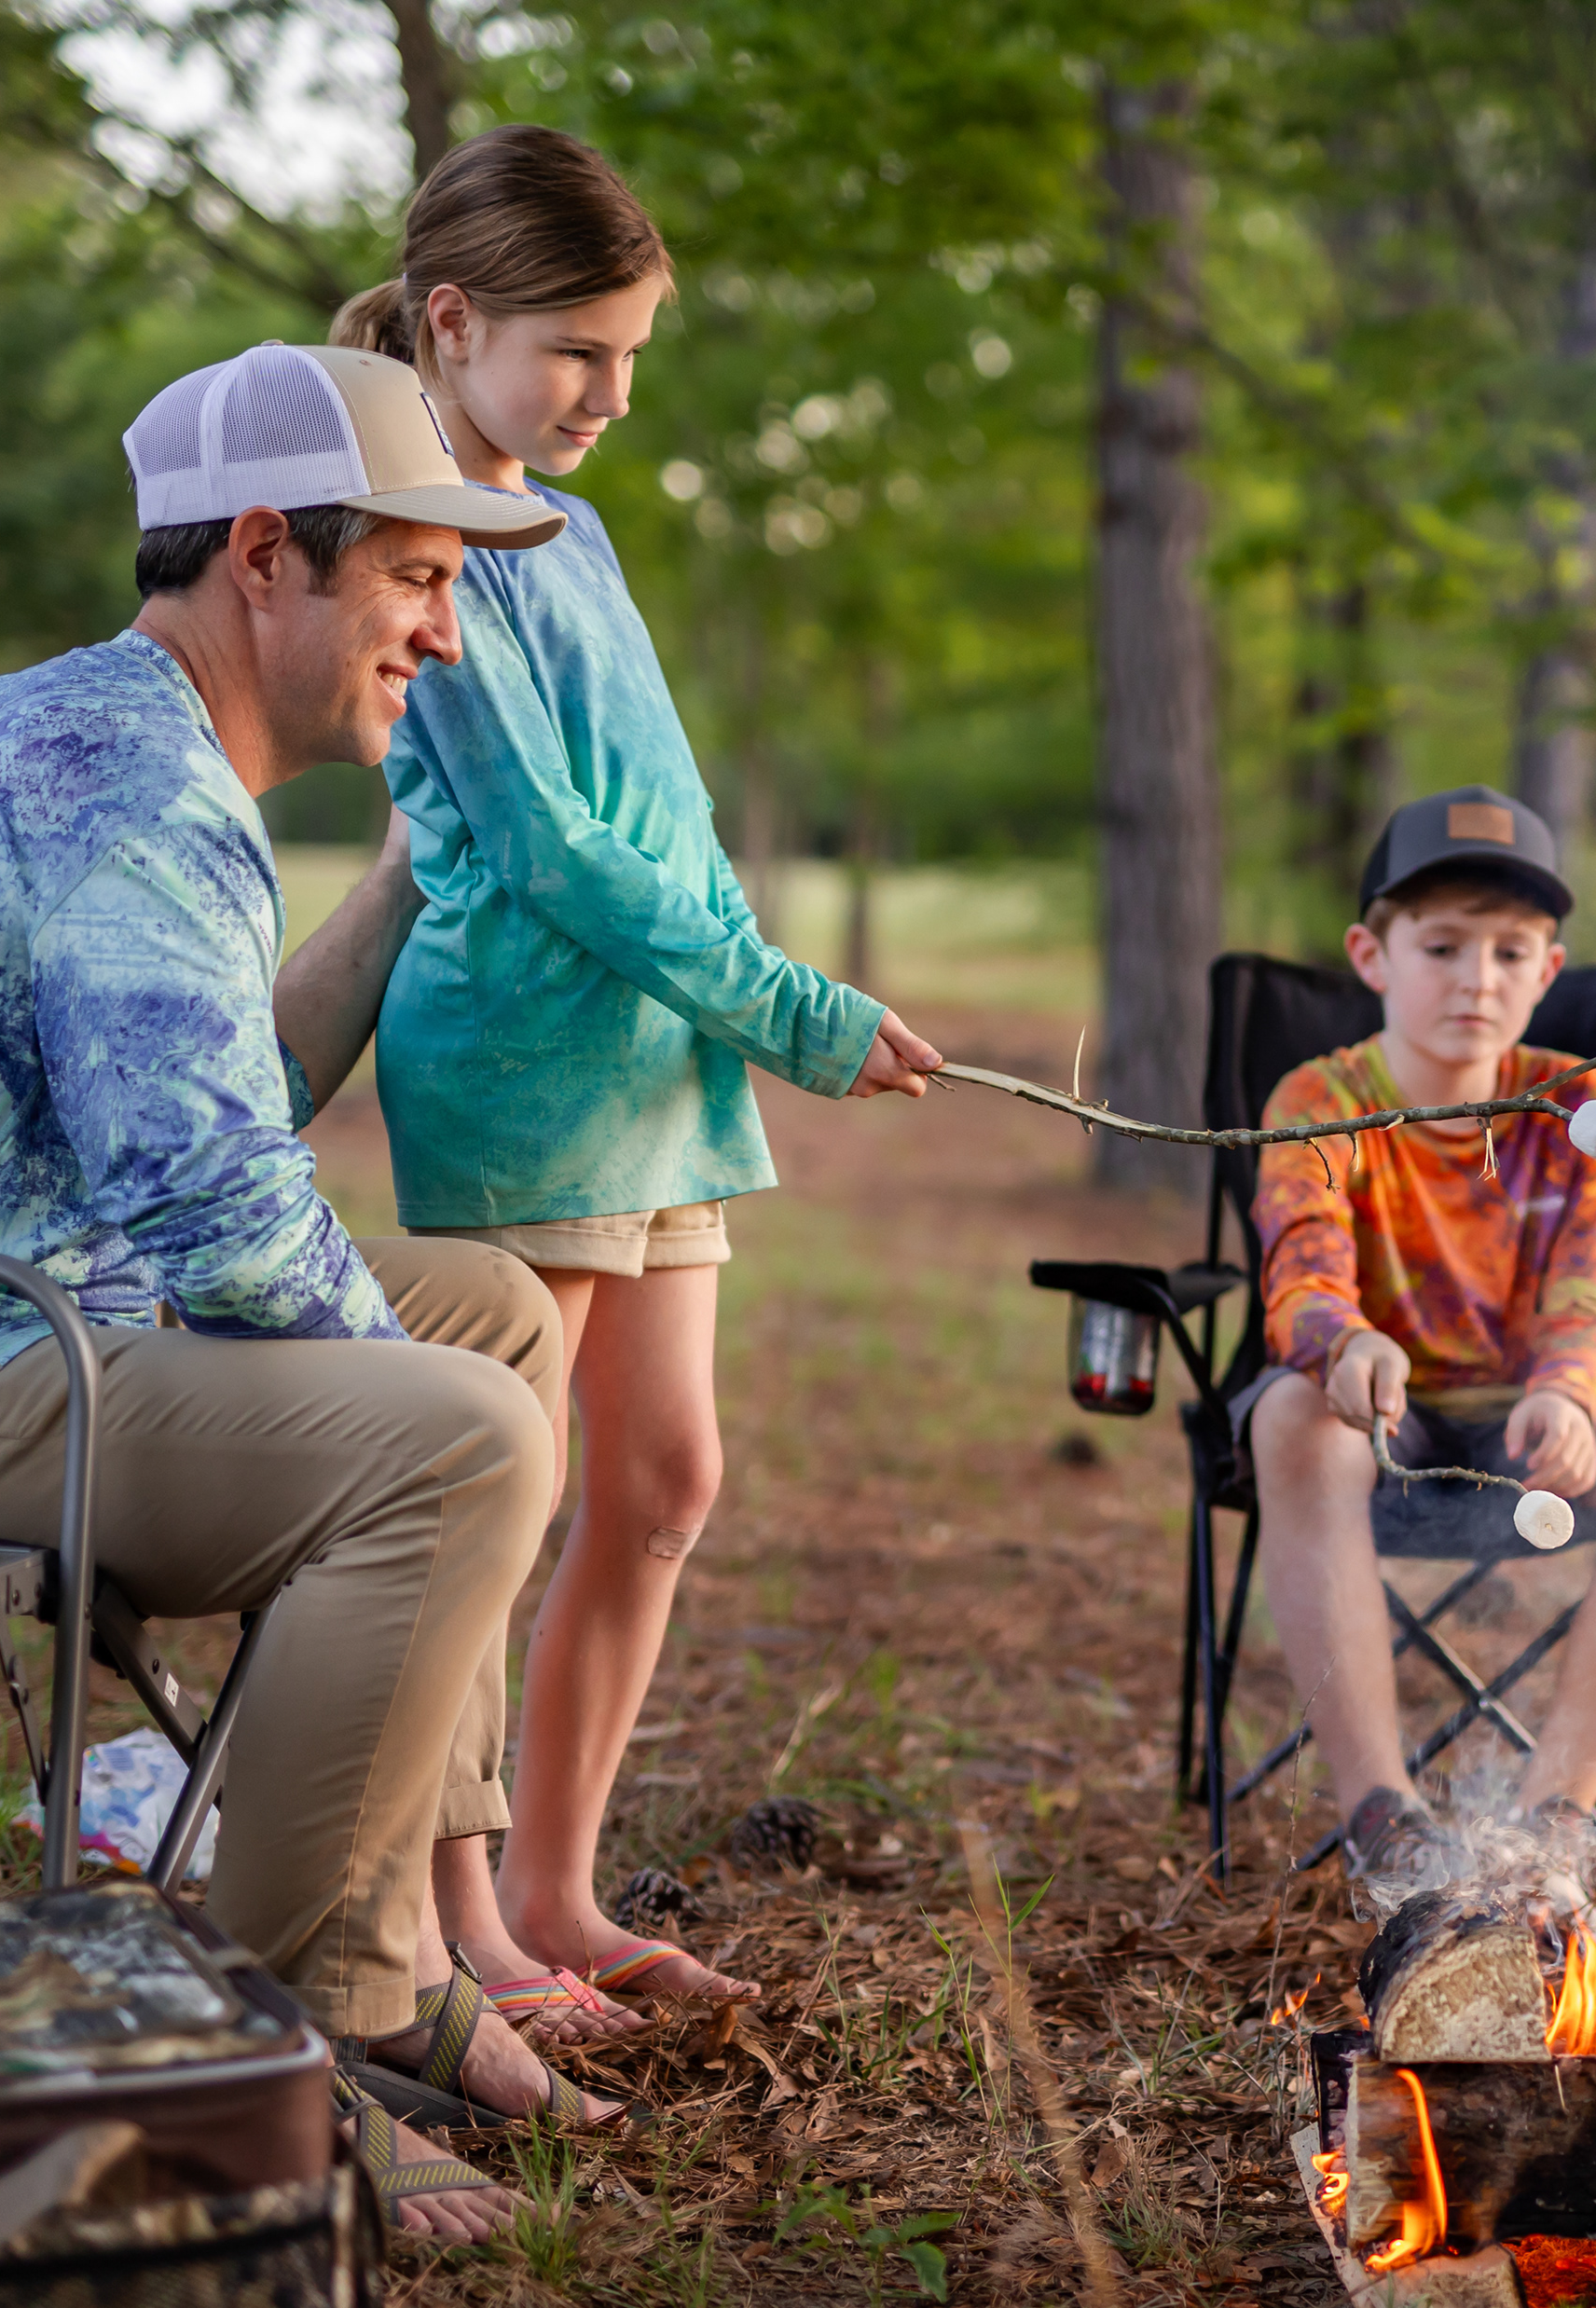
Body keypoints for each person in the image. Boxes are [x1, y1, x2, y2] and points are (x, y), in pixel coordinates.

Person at [0, 341, 610, 2243]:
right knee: (462, 1439)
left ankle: (390, 1957)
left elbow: (204, 1102)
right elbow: (225, 1216)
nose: (449, 636)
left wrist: (402, 889)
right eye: (417, 577)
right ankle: (252, 2059)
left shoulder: (88, 728)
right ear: (266, 554)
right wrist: (416, 1417)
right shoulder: (121, 789)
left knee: (491, 1310)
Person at [316, 126, 942, 2036]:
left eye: (633, 354)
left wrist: (742, 1005)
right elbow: (563, 855)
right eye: (577, 349)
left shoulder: (572, 531)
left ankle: (556, 1886)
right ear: (453, 319)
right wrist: (796, 1009)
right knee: (496, 1497)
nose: (609, 393)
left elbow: (662, 816)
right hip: (527, 1053)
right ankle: (451, 1927)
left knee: (664, 1478)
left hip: (662, 1058)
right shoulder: (429, 542)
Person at [1244, 790, 1596, 1899]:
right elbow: (1302, 1265)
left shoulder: (1578, 1104)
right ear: (1372, 955)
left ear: (1548, 970)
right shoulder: (1319, 1100)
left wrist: (1571, 1394)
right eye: (1443, 946)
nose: (1477, 978)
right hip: (1383, 1424)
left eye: (1509, 952)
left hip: (1531, 1433)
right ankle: (1387, 1819)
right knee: (1290, 1409)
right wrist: (1343, 1346)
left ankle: (1549, 1824)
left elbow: (1588, 1292)